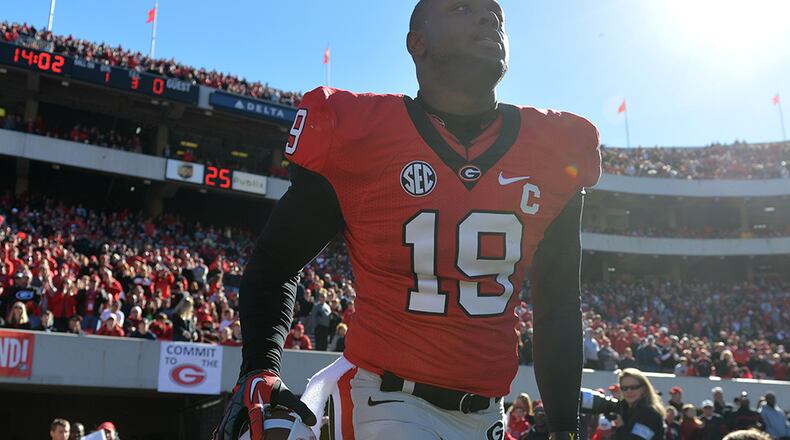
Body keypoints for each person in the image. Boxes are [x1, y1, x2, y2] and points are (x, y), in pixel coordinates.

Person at [215, 0, 601, 438]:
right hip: (383, 397)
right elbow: (276, 262)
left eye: (497, 15)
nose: (489, 18)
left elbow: (558, 306)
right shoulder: (359, 134)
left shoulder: (556, 148)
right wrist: (260, 370)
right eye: (462, 8)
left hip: (487, 413)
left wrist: (565, 428)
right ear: (417, 43)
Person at [612, 369, 665, 440]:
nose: (629, 391)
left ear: (643, 388)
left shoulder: (649, 414)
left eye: (634, 387)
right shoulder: (622, 409)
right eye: (624, 388)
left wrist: (620, 426)